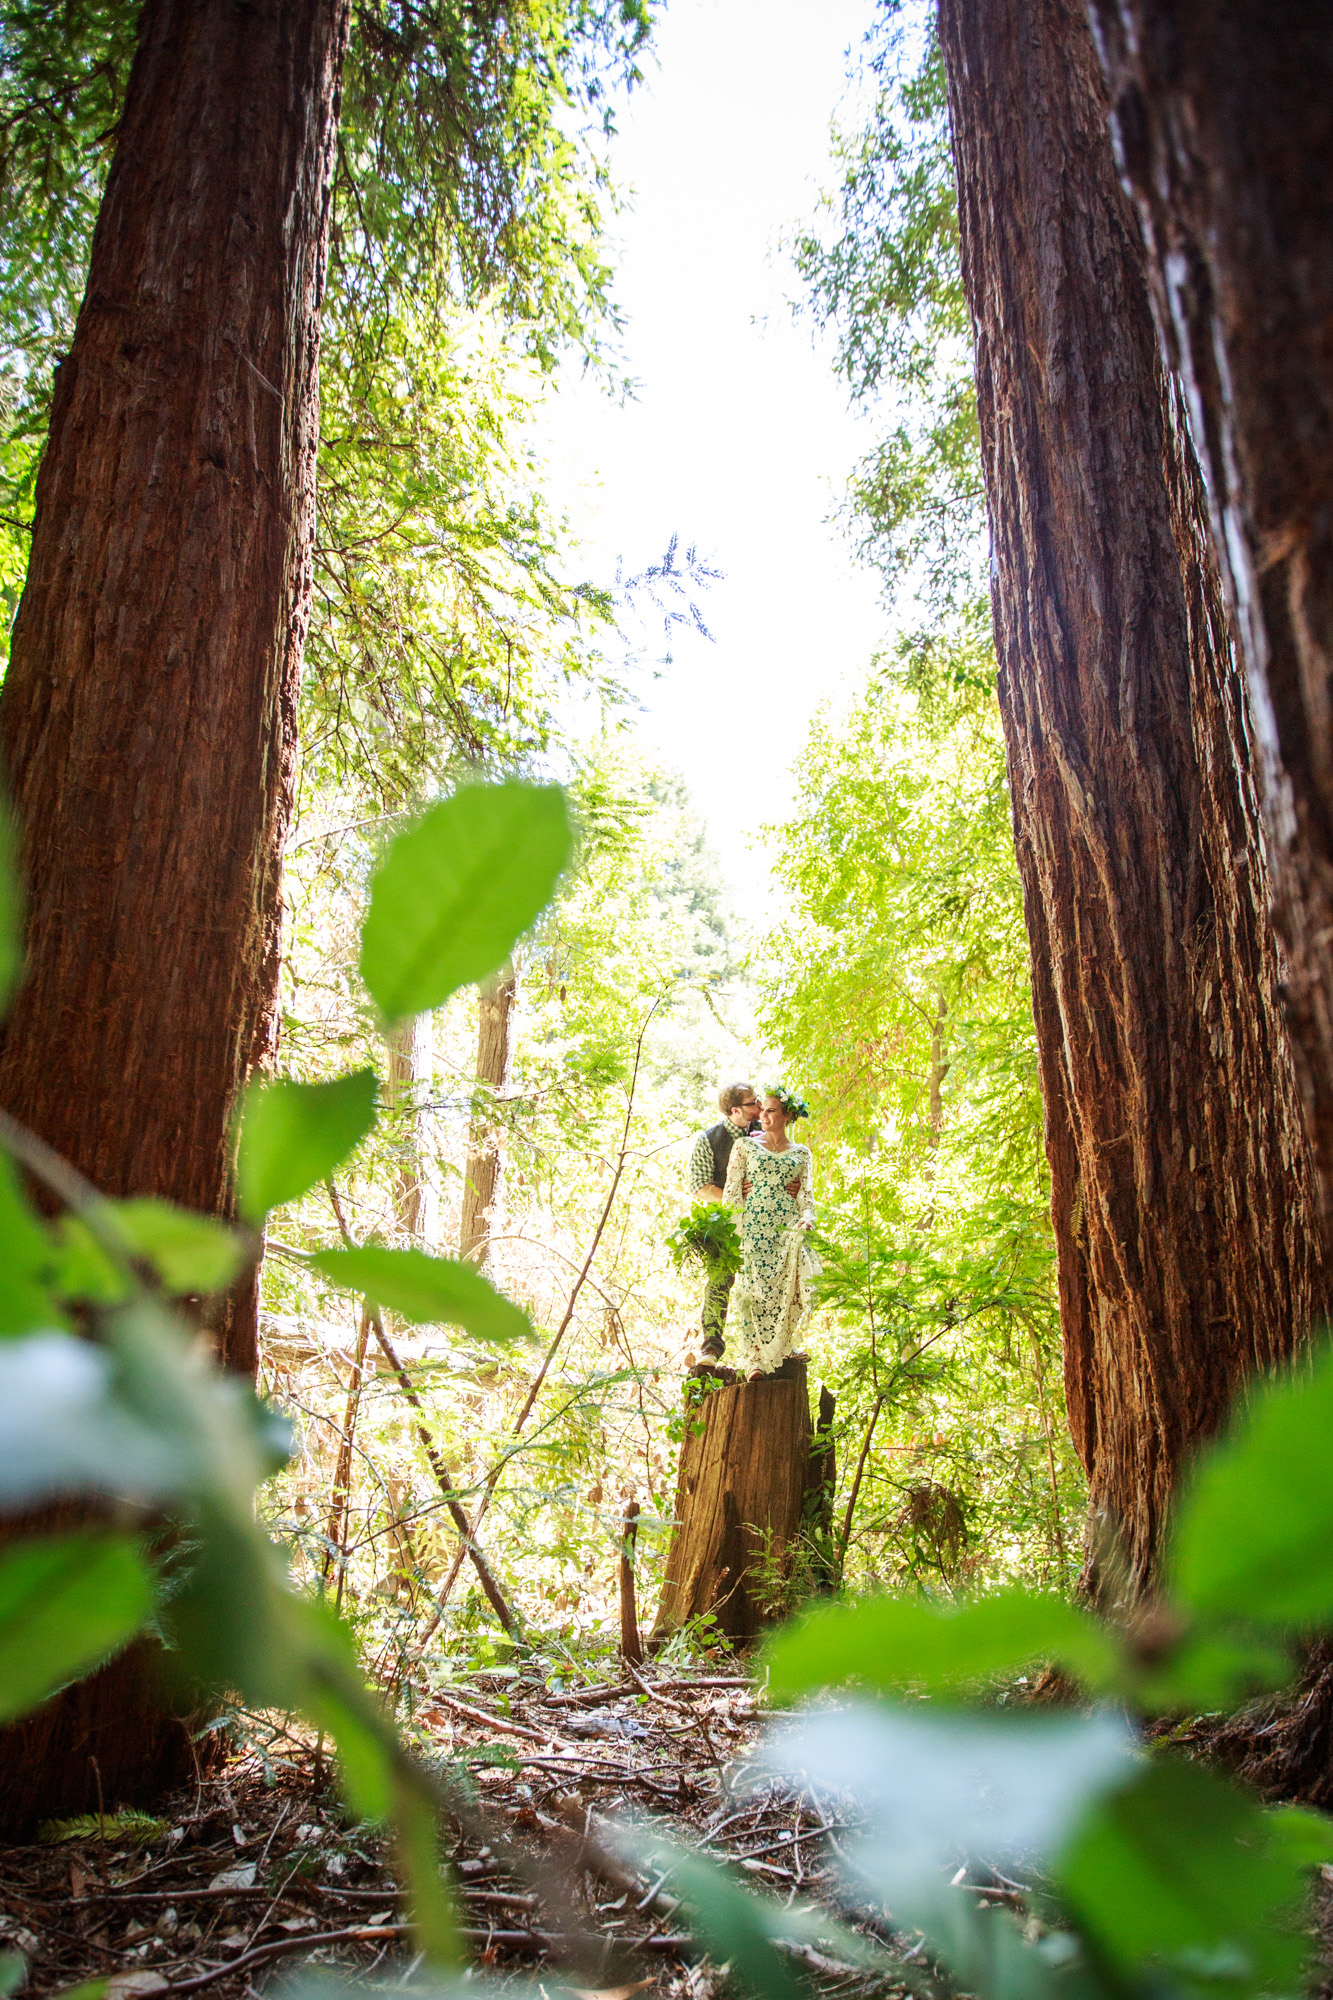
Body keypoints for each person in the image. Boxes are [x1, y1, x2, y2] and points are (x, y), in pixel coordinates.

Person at [723, 1085, 816, 1380]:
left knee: (785, 1292)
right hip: (752, 1229)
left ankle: (781, 1348)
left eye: (771, 1111)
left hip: (785, 1229)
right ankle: (753, 1359)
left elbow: (807, 1198)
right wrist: (733, 1228)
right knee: (752, 1291)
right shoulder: (745, 1147)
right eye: (761, 1110)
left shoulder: (801, 1153)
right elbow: (731, 1190)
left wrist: (806, 1219)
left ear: (788, 1115)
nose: (763, 1116)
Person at [686, 1081, 761, 1360]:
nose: (759, 1106)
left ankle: (764, 1348)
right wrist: (732, 1197)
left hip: (763, 1221)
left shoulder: (767, 1130)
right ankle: (712, 1345)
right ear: (734, 1110)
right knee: (720, 1280)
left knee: (763, 1281)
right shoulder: (708, 1139)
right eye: (752, 1103)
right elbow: (699, 1186)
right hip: (726, 1221)